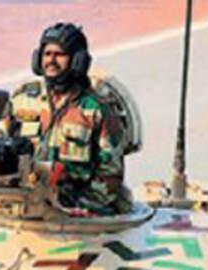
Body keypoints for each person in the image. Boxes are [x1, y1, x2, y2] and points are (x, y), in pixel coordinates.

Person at [8, 22, 131, 213]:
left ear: (77, 61)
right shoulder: (23, 101)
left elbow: (110, 175)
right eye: (47, 54)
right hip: (28, 203)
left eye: (59, 55)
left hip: (75, 208)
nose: (51, 61)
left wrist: (76, 205)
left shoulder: (96, 110)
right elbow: (7, 149)